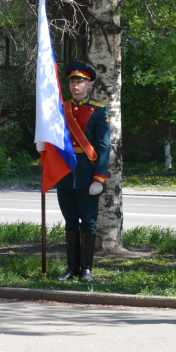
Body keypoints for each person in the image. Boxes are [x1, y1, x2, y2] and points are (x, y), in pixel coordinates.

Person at [43, 61, 110, 283]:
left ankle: (86, 269)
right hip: (65, 175)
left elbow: (103, 147)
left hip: (87, 175)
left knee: (88, 222)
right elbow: (54, 139)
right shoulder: (61, 109)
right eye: (72, 82)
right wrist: (42, 143)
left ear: (88, 84)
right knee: (70, 221)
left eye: (79, 82)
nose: (75, 86)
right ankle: (71, 268)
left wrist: (99, 177)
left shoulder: (99, 111)